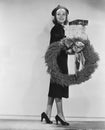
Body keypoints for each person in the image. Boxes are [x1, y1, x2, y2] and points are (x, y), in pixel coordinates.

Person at [41, 5, 70, 126]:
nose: (61, 16)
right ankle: (60, 115)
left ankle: (47, 113)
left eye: (63, 14)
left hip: (58, 61)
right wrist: (70, 43)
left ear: (66, 16)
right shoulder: (57, 29)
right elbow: (60, 45)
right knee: (58, 88)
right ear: (55, 16)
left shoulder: (61, 29)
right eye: (59, 14)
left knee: (54, 88)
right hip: (58, 63)